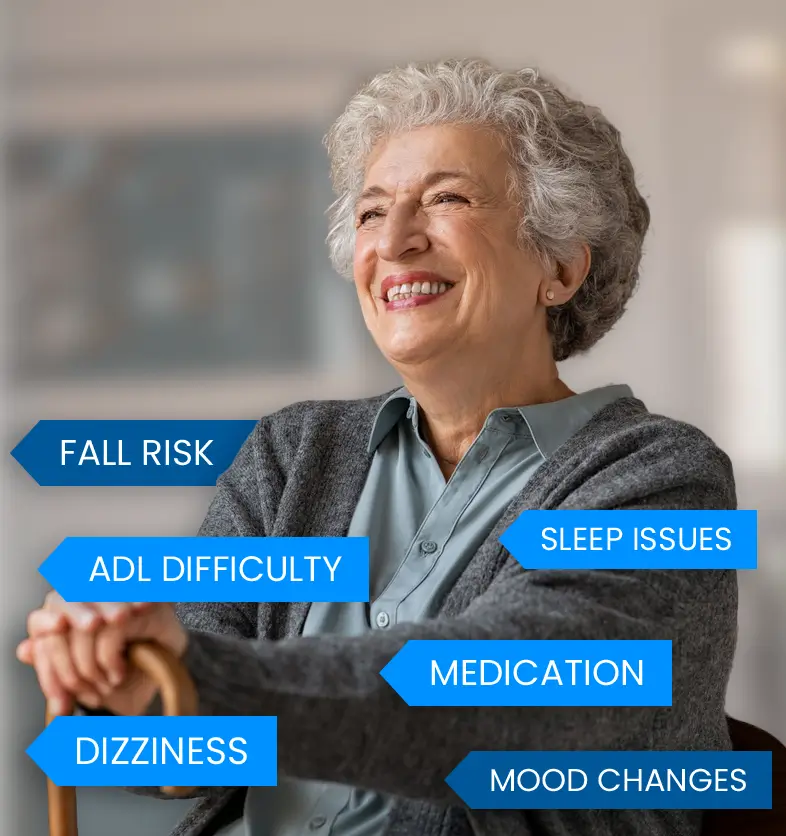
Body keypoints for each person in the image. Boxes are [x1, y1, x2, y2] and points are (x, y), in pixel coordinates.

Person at [18, 59, 738, 836]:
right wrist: (118, 672)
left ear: (559, 266)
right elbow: (186, 759)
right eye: (371, 213)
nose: (394, 241)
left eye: (447, 199)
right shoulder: (293, 453)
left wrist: (196, 676)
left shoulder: (664, 478)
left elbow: (499, 700)